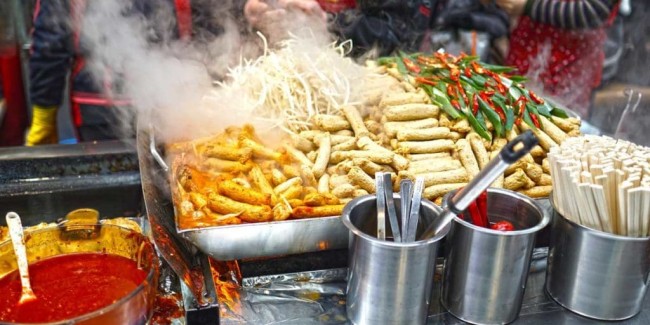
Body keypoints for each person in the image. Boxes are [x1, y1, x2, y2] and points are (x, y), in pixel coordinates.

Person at [26, 0, 325, 146]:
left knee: (175, 187)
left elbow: (211, 15)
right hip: (105, 111)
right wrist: (44, 113)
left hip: (181, 102)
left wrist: (246, 11)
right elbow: (50, 38)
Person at [495, 0, 620, 117]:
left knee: (555, 123)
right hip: (526, 51)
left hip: (569, 65)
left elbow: (594, 10)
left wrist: (529, 6)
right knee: (510, 114)